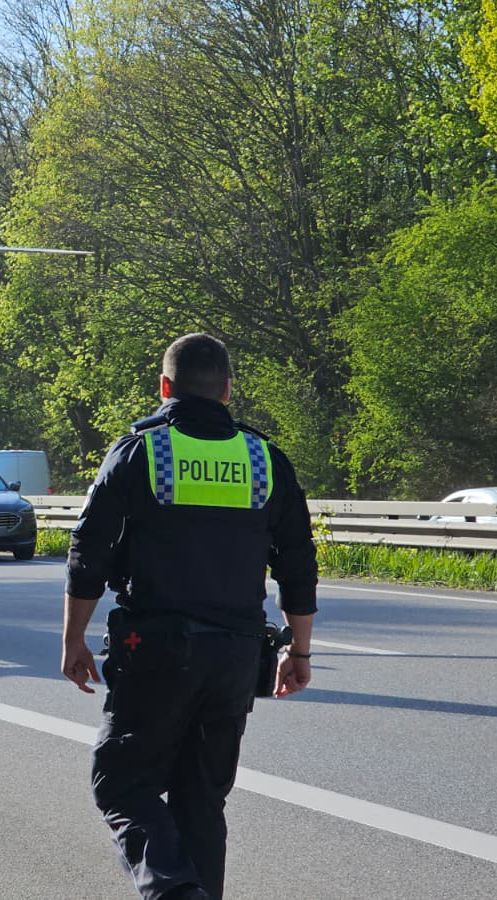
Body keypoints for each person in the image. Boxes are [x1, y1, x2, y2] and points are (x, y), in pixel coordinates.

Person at [61, 333, 318, 900]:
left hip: (155, 650)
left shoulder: (142, 452)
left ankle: (173, 891)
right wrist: (298, 650)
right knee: (202, 801)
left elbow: (89, 551)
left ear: (164, 387)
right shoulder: (264, 459)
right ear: (227, 390)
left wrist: (74, 638)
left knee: (121, 784)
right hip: (235, 657)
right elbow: (298, 565)